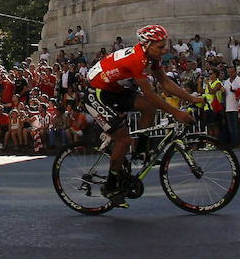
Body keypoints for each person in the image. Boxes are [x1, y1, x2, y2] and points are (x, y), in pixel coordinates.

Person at [85, 25, 205, 206]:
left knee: (149, 108)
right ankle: (110, 187)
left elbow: (164, 82)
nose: (165, 50)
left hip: (114, 89)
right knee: (123, 140)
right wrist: (177, 113)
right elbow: (150, 93)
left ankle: (140, 152)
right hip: (97, 93)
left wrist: (191, 98)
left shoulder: (150, 56)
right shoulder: (137, 59)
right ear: (147, 45)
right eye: (160, 47)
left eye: (165, 45)